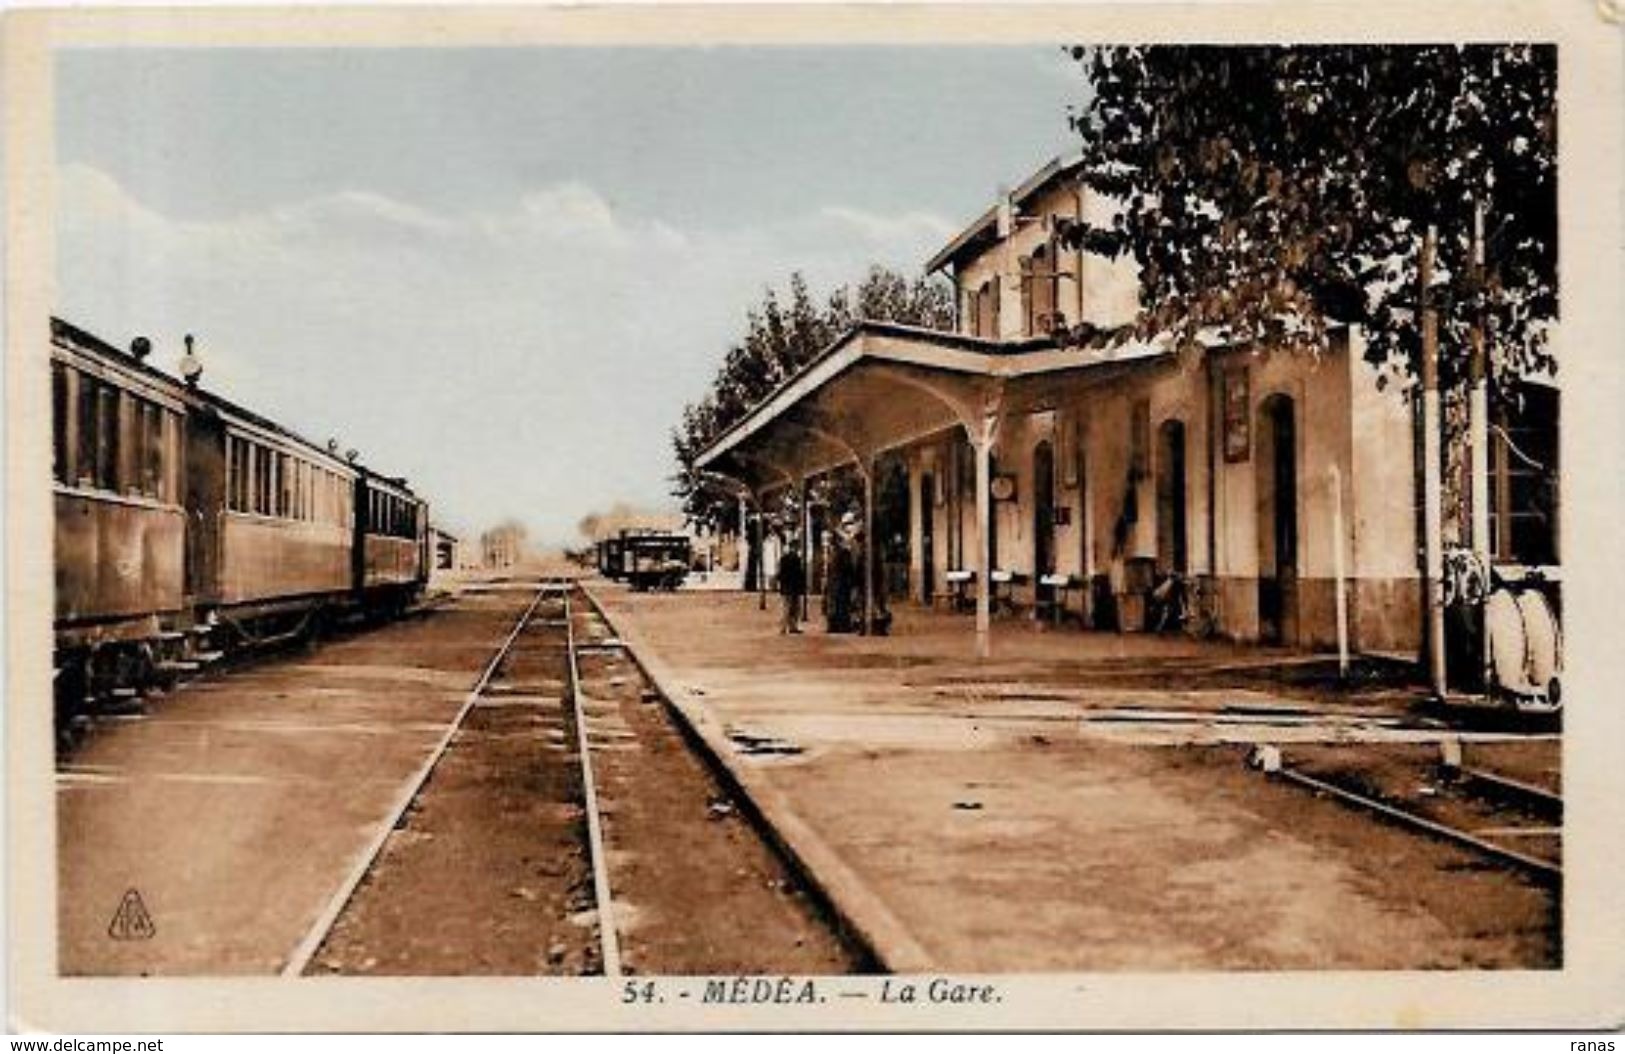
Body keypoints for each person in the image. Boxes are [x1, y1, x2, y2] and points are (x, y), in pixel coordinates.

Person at [777, 539, 805, 635]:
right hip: (793, 588)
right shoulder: (796, 559)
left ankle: (784, 627)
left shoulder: (783, 558)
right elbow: (799, 575)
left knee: (786, 608)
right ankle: (792, 627)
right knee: (793, 608)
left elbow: (780, 574)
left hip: (785, 587)